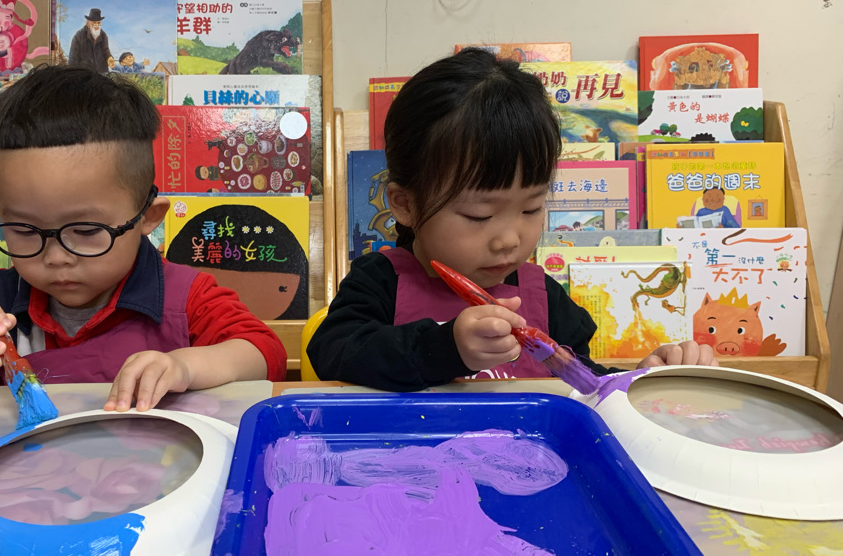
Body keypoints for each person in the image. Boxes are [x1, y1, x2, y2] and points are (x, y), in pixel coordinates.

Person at [307, 49, 717, 391]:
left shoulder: (542, 295)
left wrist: (644, 378)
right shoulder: (380, 281)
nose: (508, 239)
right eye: (479, 215)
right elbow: (335, 353)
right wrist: (446, 347)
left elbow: (581, 385)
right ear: (405, 204)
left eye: (531, 208)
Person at [0, 65, 287, 411]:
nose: (56, 257)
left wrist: (185, 366)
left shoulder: (185, 297)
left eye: (85, 231)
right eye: (24, 230)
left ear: (147, 217)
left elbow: (265, 352)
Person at [67, 8, 113, 74]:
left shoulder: (103, 35)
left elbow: (105, 49)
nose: (97, 25)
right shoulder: (78, 36)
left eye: (98, 22)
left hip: (102, 74)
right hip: (84, 74)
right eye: (94, 22)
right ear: (88, 23)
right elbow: (72, 59)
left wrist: (109, 57)